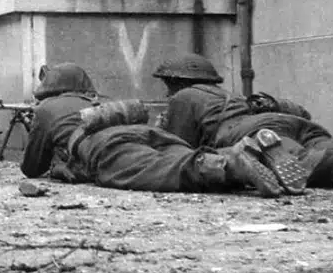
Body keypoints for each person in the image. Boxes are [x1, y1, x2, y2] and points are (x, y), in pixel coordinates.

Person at [153, 53, 333, 195]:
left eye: (168, 87)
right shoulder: (235, 96)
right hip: (293, 123)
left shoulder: (184, 98)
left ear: (177, 83)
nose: (166, 94)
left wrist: (160, 127)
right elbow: (304, 113)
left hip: (255, 132)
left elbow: (179, 150)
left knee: (297, 159)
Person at [21, 62, 286, 196]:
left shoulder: (48, 108)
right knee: (177, 156)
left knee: (162, 171)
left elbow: (32, 168)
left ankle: (231, 165)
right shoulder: (97, 101)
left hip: (103, 144)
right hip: (143, 132)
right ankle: (243, 151)